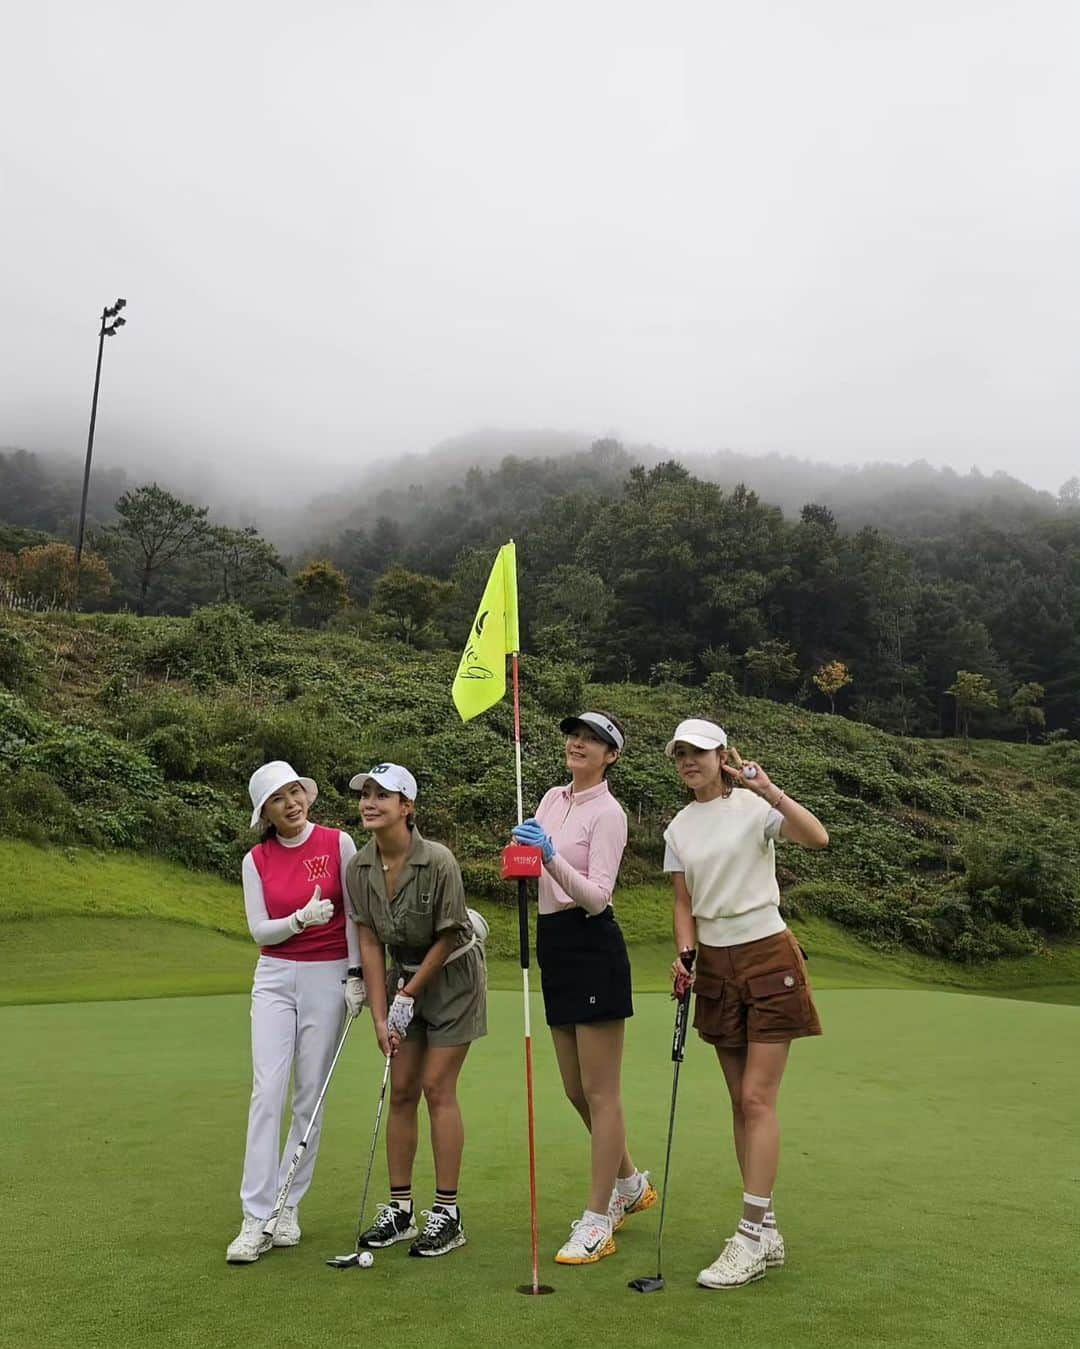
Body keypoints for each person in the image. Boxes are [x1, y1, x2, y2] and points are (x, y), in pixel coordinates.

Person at [662, 718, 828, 1290]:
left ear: (722, 756)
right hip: (715, 964)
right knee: (740, 1100)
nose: (688, 762)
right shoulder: (679, 827)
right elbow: (684, 902)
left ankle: (752, 1235)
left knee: (757, 1097)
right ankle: (768, 1225)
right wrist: (685, 952)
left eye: (699, 753)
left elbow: (817, 837)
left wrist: (767, 788)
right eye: (680, 754)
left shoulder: (755, 807)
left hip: (768, 957)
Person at [512, 711, 654, 1267]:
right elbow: (540, 870)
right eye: (575, 735)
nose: (579, 744)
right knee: (574, 1088)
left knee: (601, 1091)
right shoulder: (551, 797)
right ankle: (630, 1184)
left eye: (592, 741)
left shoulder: (610, 813)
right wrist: (524, 859)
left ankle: (599, 1220)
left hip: (593, 945)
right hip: (555, 944)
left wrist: (547, 855)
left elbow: (597, 896)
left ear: (611, 756)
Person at [344, 763, 486, 1259]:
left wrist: (408, 997)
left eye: (383, 795)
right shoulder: (359, 867)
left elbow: (449, 936)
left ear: (407, 807)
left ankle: (447, 1213)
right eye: (365, 794)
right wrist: (382, 1017)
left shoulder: (439, 860)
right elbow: (368, 942)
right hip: (404, 978)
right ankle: (400, 1210)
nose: (369, 802)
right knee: (401, 1088)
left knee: (435, 1086)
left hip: (453, 979)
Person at [227, 760, 365, 1264]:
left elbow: (353, 913)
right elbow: (260, 931)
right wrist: (299, 919)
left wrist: (356, 976)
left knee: (310, 1096)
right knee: (268, 1091)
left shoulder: (337, 842)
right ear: (264, 811)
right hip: (274, 976)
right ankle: (253, 1217)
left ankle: (286, 1206)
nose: (291, 803)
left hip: (327, 976)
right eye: (278, 799)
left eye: (295, 793)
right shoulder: (255, 859)